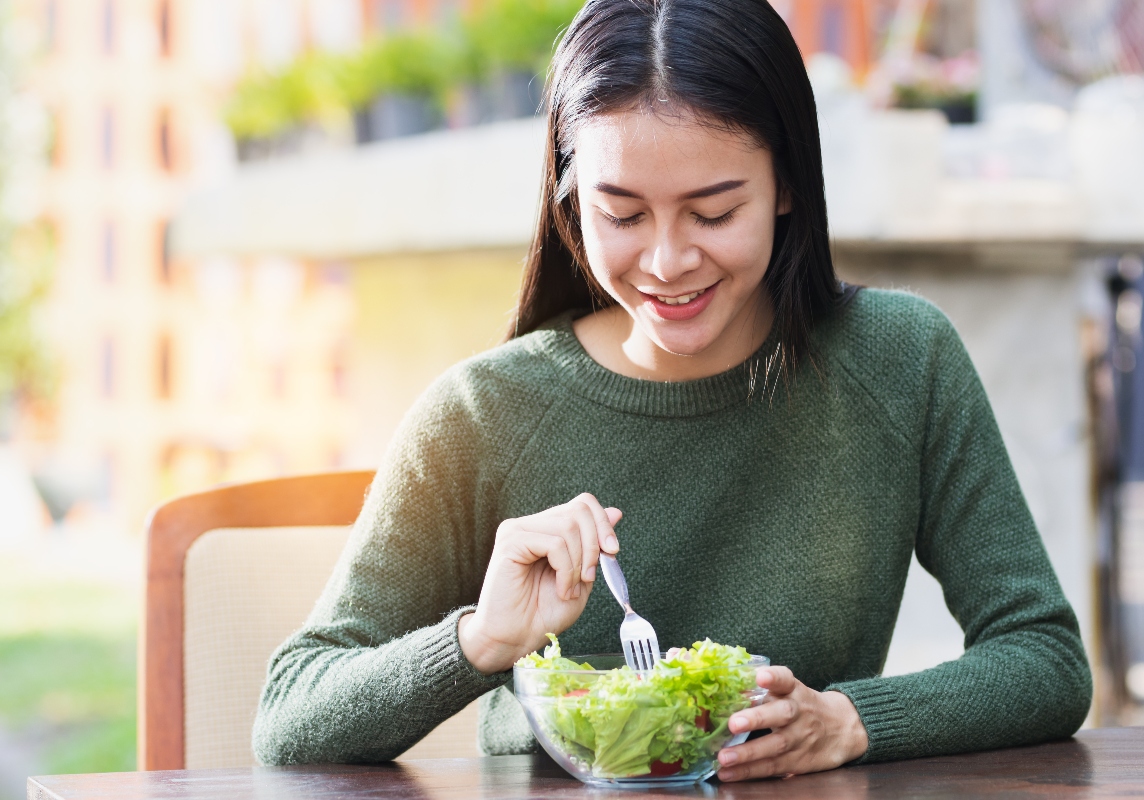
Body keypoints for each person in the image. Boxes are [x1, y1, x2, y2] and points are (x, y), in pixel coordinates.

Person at [252, 0, 1092, 781]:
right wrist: (482, 638)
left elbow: (1043, 657)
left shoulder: (900, 361)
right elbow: (292, 714)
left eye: (715, 213)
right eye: (621, 214)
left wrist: (850, 721)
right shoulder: (480, 414)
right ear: (572, 199)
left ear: (787, 186)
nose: (666, 262)